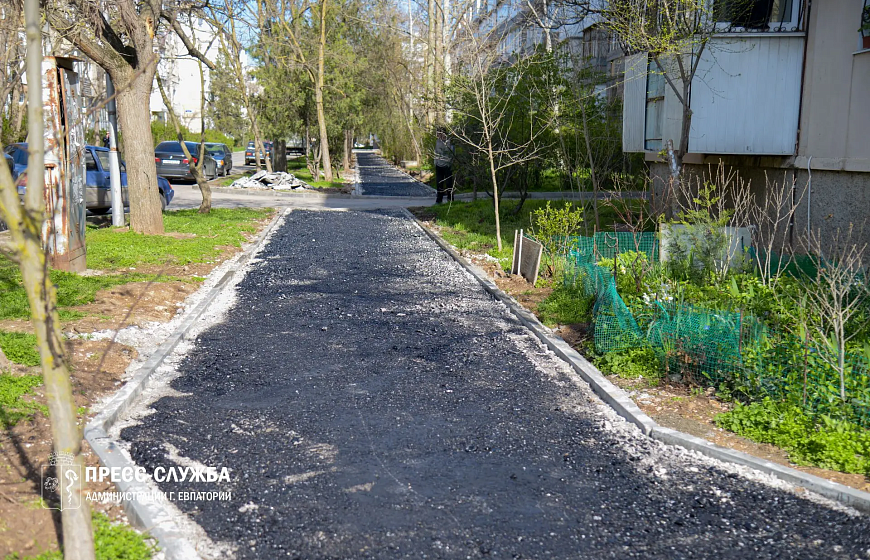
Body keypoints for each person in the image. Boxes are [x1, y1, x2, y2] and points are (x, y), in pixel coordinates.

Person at [434, 129, 454, 204]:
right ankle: (439, 200)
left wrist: (450, 162)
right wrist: (435, 162)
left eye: (439, 134)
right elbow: (435, 152)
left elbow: (451, 152)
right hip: (439, 165)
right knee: (439, 183)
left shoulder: (449, 142)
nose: (438, 136)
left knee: (449, 183)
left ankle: (450, 199)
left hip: (447, 165)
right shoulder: (437, 142)